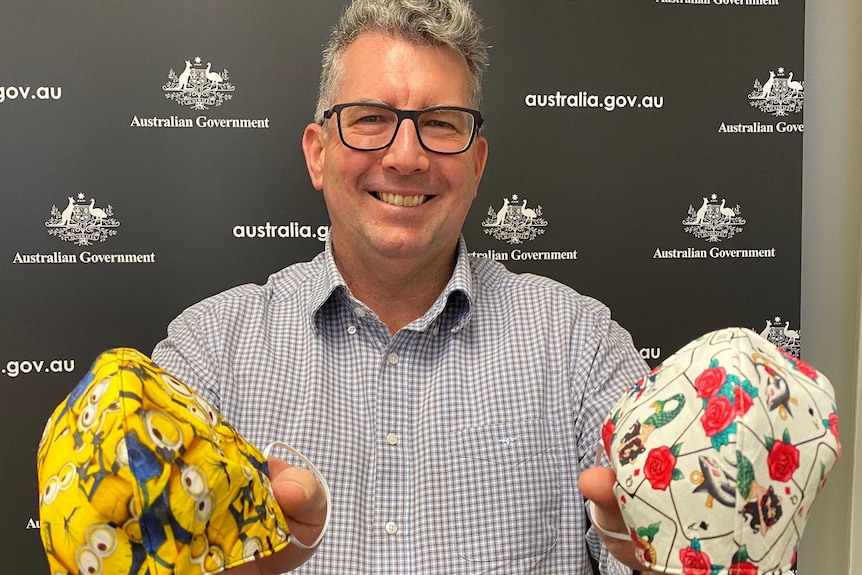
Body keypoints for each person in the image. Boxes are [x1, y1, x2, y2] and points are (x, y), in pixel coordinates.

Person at [152, 0, 653, 573]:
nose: (407, 157)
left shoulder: (580, 348)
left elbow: (669, 540)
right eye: (370, 118)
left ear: (477, 164)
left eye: (441, 123)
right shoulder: (208, 355)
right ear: (318, 153)